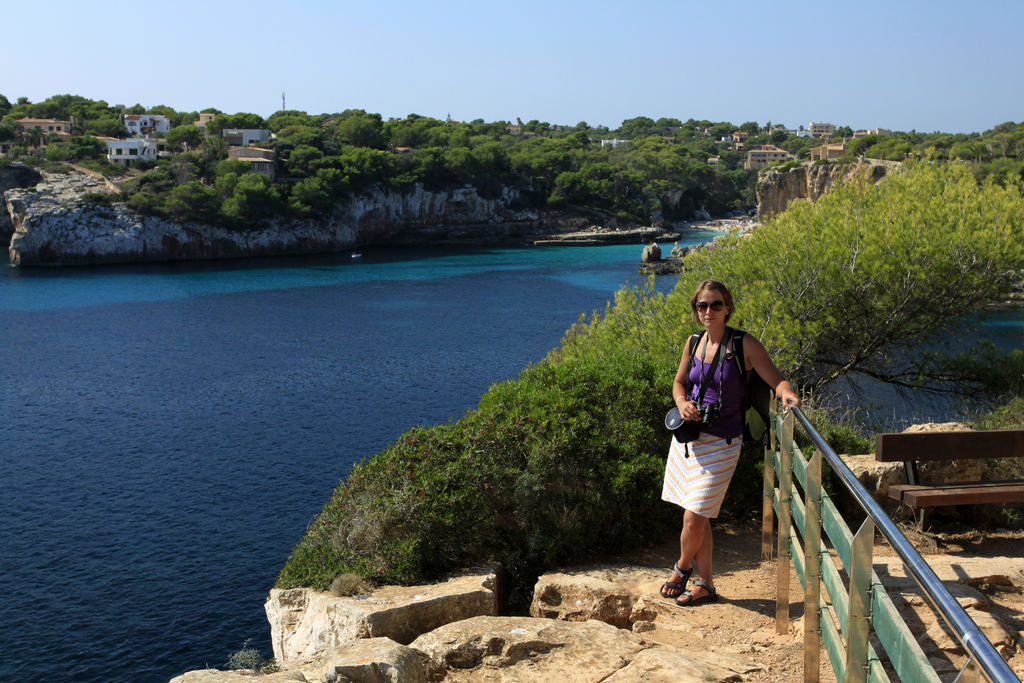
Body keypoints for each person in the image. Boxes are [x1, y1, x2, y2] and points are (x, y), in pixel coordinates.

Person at [659, 280, 800, 606]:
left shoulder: (744, 344)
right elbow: (679, 383)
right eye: (702, 306)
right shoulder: (693, 342)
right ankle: (706, 584)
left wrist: (787, 394)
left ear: (727, 308)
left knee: (694, 517)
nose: (709, 311)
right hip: (689, 441)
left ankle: (681, 569)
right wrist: (682, 404)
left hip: (722, 443)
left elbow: (776, 380)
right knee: (701, 515)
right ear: (696, 310)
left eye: (716, 305)